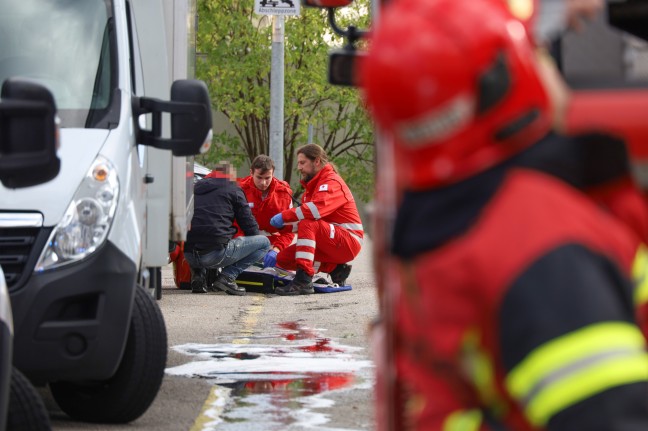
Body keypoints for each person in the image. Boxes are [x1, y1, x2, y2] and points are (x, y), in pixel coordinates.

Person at [360, 0, 648, 430]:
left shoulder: (442, 225)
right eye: (538, 53)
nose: (548, 66)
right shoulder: (542, 246)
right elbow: (607, 417)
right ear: (502, 81)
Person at [269, 144, 363, 295]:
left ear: (317, 161)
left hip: (349, 241)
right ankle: (336, 269)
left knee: (308, 222)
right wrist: (283, 227)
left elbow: (314, 211)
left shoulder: (332, 183)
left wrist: (284, 216)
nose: (299, 167)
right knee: (282, 259)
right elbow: (305, 226)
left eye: (302, 163)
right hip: (330, 241)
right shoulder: (311, 189)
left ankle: (303, 280)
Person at [184, 162, 270, 295]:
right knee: (264, 243)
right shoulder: (234, 189)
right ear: (231, 176)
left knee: (200, 232)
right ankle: (227, 278)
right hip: (214, 255)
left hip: (189, 254)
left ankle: (198, 276)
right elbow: (250, 227)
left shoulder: (194, 188)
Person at [236, 155, 295, 269]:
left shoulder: (284, 193)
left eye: (268, 178)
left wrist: (277, 249)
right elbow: (233, 223)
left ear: (273, 174)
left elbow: (289, 230)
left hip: (272, 242)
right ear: (251, 173)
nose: (263, 182)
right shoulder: (240, 190)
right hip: (244, 241)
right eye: (259, 177)